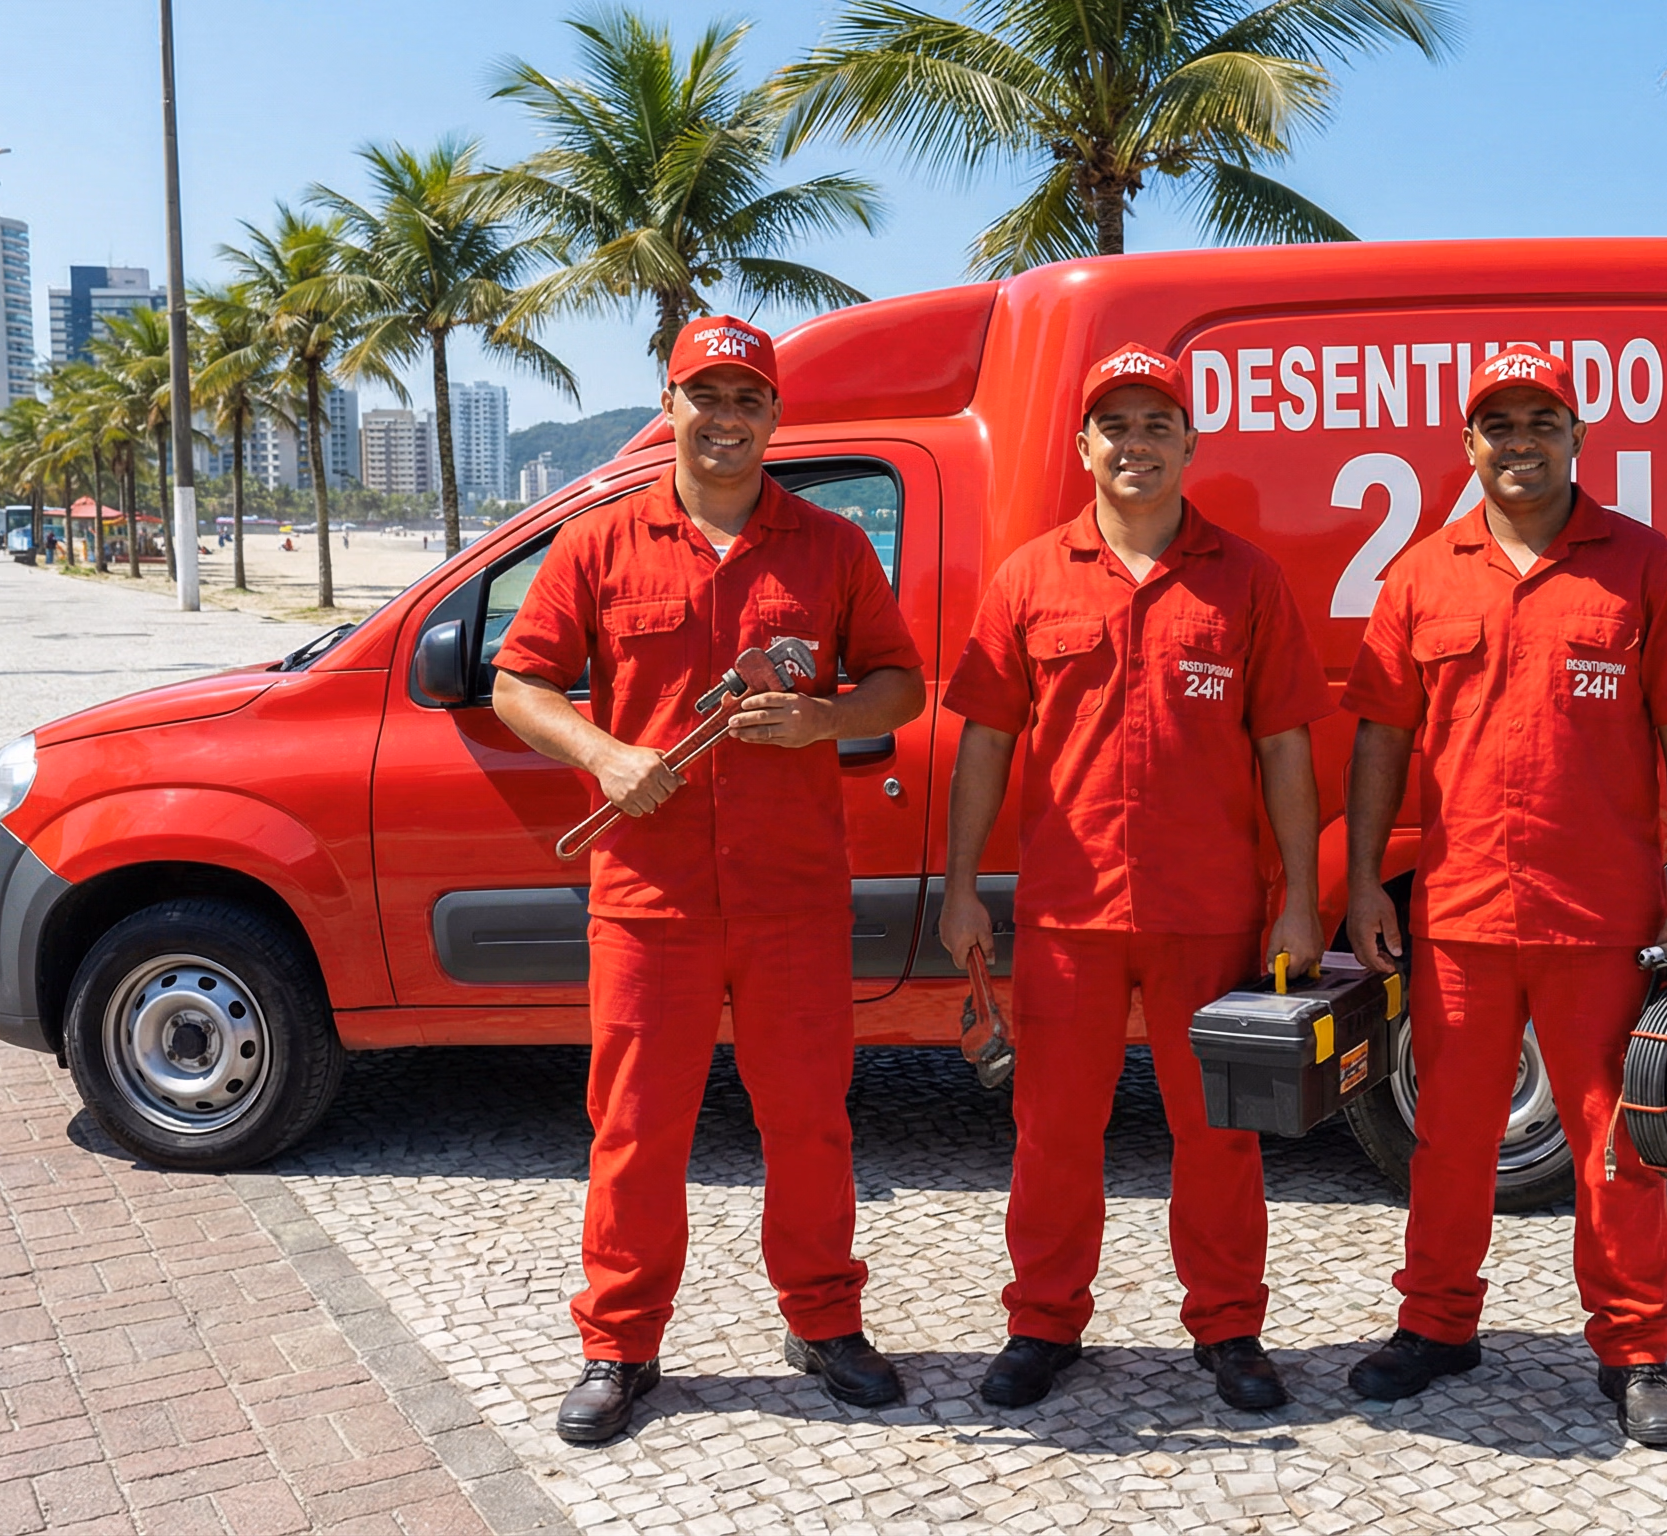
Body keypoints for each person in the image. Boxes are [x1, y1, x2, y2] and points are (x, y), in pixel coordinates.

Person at [490, 315, 927, 1446]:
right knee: (634, 1125)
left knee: (808, 1121)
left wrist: (827, 717)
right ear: (670, 402)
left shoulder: (829, 547)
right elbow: (517, 686)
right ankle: (619, 1345)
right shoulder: (599, 542)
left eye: (747, 398)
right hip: (650, 897)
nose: (726, 418)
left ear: (776, 415)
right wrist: (603, 751)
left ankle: (824, 1323)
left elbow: (899, 685)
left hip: (791, 894)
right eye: (705, 395)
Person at [1338, 345, 1667, 1449]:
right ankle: (1435, 1326)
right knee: (1450, 1140)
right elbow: (1381, 739)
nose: (1520, 441)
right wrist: (1368, 878)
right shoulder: (1422, 574)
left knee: (1620, 1140)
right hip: (1460, 915)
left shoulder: (1643, 564)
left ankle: (1634, 1349)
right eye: (1497, 424)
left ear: (1575, 435)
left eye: (1540, 420)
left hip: (1603, 919)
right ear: (1466, 446)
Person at [939, 344, 1331, 1412]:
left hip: (1207, 912)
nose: (1135, 444)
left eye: (1156, 423)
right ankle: (1043, 1321)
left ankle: (1229, 1327)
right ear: (1083, 447)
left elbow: (1286, 745)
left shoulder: (1244, 579)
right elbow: (984, 740)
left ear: (1189, 443)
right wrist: (961, 883)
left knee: (1218, 1133)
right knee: (1054, 1130)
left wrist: (1298, 896)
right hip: (1068, 912)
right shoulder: (1028, 577)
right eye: (1115, 425)